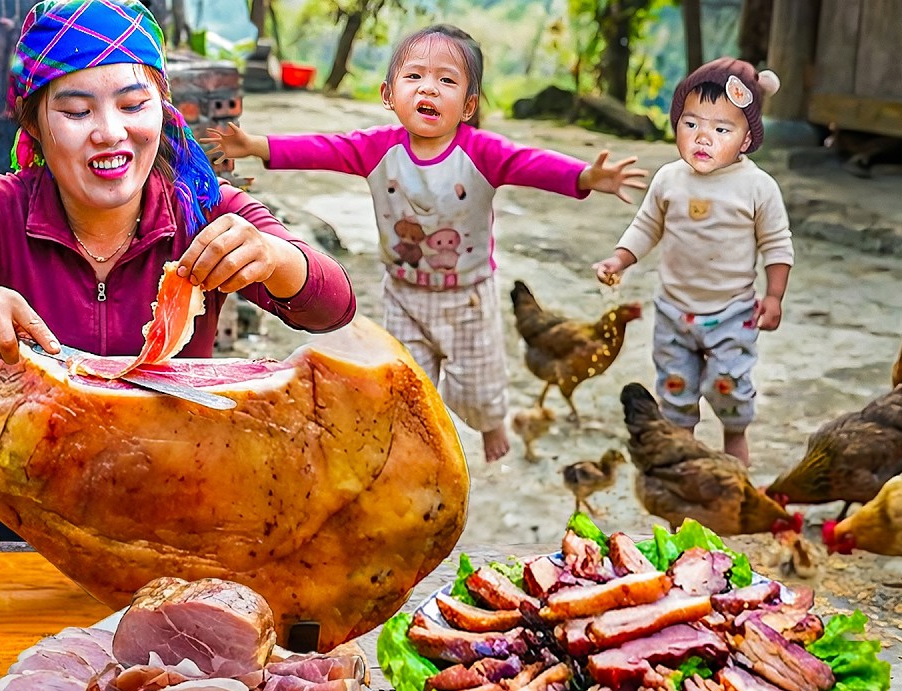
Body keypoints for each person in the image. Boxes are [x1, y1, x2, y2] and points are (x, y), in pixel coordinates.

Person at [207, 25, 646, 462]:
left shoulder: (481, 152)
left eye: (447, 80)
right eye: (414, 76)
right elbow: (323, 147)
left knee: (477, 385)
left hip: (468, 298)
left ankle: (491, 423)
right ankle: (413, 444)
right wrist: (255, 145)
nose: (429, 89)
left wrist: (585, 176)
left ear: (468, 105)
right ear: (388, 93)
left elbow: (530, 163)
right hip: (403, 294)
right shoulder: (376, 148)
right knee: (405, 381)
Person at [0, 0, 355, 365]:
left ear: (163, 112)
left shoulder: (207, 210)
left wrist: (278, 259)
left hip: (171, 479)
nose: (110, 133)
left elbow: (334, 308)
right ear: (34, 126)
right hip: (24, 489)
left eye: (133, 106)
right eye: (78, 111)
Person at [592, 57, 791, 464]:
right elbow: (647, 226)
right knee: (675, 387)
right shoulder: (669, 179)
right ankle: (683, 445)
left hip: (732, 313)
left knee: (729, 384)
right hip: (674, 313)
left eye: (721, 129)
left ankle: (735, 437)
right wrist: (619, 258)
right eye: (691, 123)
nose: (703, 137)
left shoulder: (758, 187)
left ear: (748, 138)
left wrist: (774, 296)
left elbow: (776, 245)